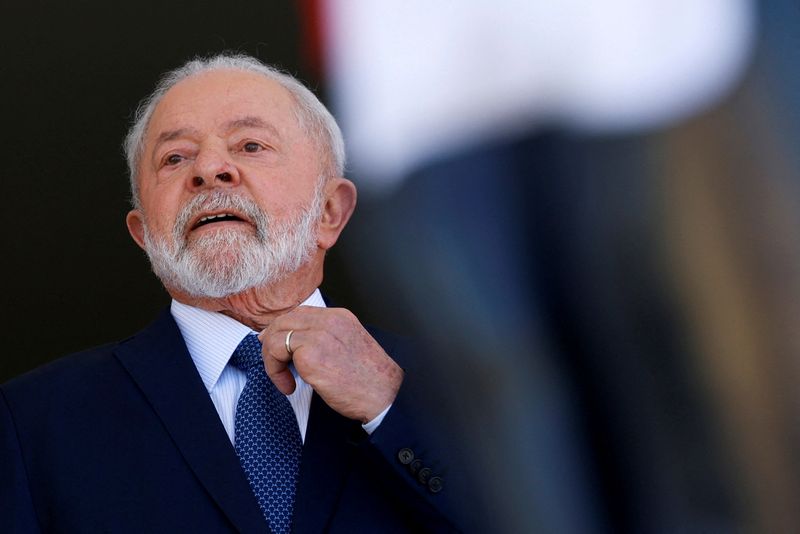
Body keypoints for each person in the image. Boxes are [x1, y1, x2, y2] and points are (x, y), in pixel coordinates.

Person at [0, 54, 472, 533]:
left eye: (250, 145)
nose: (209, 169)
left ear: (330, 211)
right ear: (144, 234)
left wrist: (388, 409)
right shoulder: (30, 422)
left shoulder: (465, 390)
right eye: (175, 158)